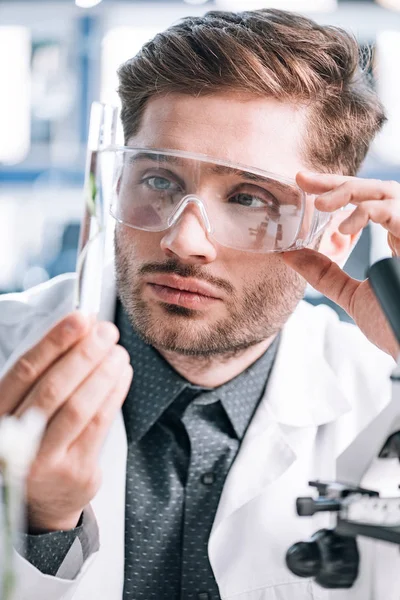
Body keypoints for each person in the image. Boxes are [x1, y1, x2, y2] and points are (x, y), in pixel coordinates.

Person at [1, 8, 400, 600]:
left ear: (336, 234)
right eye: (159, 180)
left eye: (249, 198)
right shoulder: (11, 354)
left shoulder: (381, 394)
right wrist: (33, 519)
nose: (183, 241)